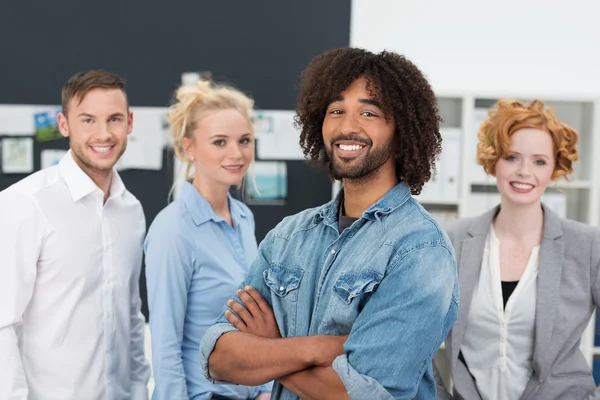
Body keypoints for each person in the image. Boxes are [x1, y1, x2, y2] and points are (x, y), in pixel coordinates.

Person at [199, 47, 460, 400]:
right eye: (336, 110)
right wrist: (315, 349)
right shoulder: (289, 236)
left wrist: (271, 347)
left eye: (369, 112)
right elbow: (218, 356)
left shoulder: (420, 250)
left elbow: (359, 394)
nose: (347, 126)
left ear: (402, 131)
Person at [434, 99, 600, 399]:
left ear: (554, 169)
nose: (524, 171)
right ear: (493, 160)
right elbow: (411, 339)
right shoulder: (452, 240)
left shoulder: (588, 246)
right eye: (512, 157)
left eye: (539, 161)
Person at [0, 70, 150, 399]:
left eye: (114, 119)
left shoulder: (131, 211)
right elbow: (3, 323)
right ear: (64, 125)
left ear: (130, 122)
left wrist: (139, 391)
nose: (104, 134)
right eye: (87, 120)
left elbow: (130, 314)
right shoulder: (25, 204)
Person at [144, 79, 272, 400]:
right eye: (219, 142)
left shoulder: (243, 217)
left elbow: (252, 320)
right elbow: (165, 346)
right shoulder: (173, 229)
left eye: (244, 140)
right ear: (189, 148)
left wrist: (265, 389)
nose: (236, 153)